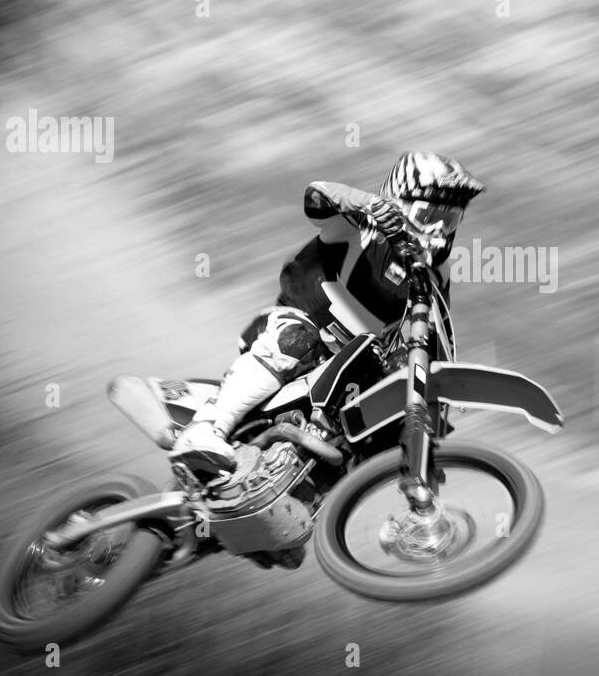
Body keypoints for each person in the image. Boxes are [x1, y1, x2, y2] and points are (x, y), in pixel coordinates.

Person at [169, 150, 484, 472]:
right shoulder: (358, 226)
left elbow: (435, 337)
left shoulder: (436, 273)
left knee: (396, 395)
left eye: (450, 220)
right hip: (299, 333)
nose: (439, 231)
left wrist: (433, 407)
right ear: (398, 203)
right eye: (430, 216)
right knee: (295, 338)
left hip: (353, 369)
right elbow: (317, 195)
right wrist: (368, 205)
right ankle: (206, 430)